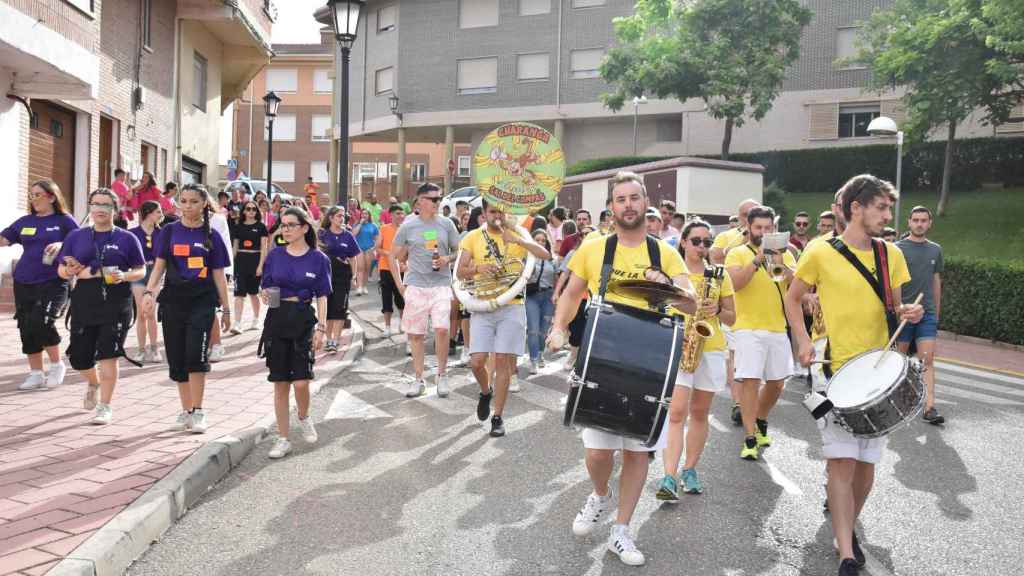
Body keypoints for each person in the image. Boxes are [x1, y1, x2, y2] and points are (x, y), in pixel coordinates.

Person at [547, 172, 695, 567]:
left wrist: (667, 283)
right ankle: (599, 494)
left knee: (636, 454)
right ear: (611, 207)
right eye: (620, 199)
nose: (628, 205)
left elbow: (691, 304)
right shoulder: (594, 248)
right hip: (603, 358)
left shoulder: (665, 252)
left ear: (645, 203)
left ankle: (621, 530)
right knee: (598, 452)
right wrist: (559, 327)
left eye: (634, 198)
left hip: (650, 362)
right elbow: (573, 292)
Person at [784, 174, 921, 576]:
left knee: (866, 467)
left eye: (887, 209)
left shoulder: (889, 255)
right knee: (841, 463)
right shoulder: (819, 250)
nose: (885, 215)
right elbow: (793, 299)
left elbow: (893, 307)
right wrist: (802, 341)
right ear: (855, 208)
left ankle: (846, 524)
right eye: (879, 207)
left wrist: (908, 313)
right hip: (833, 369)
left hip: (876, 373)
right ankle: (845, 549)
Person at [143, 184, 233, 434]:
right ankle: (186, 411)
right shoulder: (169, 232)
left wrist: (226, 309)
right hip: (173, 299)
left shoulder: (211, 235)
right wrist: (150, 292)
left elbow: (219, 276)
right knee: (178, 357)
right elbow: (159, 266)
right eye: (183, 201)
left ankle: (199, 410)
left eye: (193, 201)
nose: (187, 206)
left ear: (204, 204)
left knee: (196, 355)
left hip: (202, 300)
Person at [456, 200, 550, 436]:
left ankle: (497, 417)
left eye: (501, 211)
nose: (497, 216)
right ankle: (485, 392)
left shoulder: (517, 234)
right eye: (492, 212)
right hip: (483, 304)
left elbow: (545, 254)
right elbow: (459, 272)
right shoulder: (472, 237)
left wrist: (518, 241)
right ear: (484, 214)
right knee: (476, 361)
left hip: (512, 304)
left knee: (502, 361)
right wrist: (478, 269)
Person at [656, 219, 736, 500]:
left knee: (700, 413)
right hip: (679, 344)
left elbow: (732, 317)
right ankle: (669, 476)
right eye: (696, 241)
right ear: (684, 242)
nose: (702, 246)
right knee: (676, 412)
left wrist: (717, 310)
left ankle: (690, 469)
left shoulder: (719, 274)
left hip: (711, 345)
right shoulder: (672, 272)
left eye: (706, 242)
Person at [57, 189, 146, 424]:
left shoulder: (127, 238)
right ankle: (94, 382)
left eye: (106, 205)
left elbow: (141, 269)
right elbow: (61, 269)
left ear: (114, 210)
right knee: (79, 358)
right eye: (95, 204)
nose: (99, 209)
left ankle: (105, 406)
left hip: (116, 302)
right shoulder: (76, 236)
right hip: (84, 301)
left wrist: (123, 276)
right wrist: (70, 271)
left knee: (109, 354)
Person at [725, 205, 797, 460]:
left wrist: (780, 263)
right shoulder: (736, 253)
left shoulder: (785, 254)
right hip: (747, 327)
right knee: (751, 381)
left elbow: (792, 284)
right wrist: (757, 259)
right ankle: (749, 437)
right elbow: (735, 284)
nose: (764, 232)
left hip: (777, 326)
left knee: (777, 383)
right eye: (759, 228)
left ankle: (761, 418)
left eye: (768, 228)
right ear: (749, 228)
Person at [260, 207, 331, 459]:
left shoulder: (319, 259)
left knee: (301, 382)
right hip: (277, 319)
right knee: (280, 382)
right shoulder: (275, 255)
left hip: (303, 320)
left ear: (304, 228)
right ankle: (283, 438)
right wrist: (265, 294)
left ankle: (303, 416)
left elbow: (322, 295)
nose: (286, 229)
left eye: (291, 225)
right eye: (283, 225)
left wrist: (321, 328)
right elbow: (265, 287)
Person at [1, 180, 78, 390]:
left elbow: (80, 243)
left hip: (53, 281)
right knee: (26, 326)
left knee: (42, 320)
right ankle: (36, 373)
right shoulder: (25, 221)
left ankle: (56, 364)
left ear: (51, 197)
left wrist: (62, 244)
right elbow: (4, 239)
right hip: (24, 280)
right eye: (31, 195)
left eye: (38, 195)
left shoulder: (64, 221)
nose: (33, 199)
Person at [389, 183, 461, 397]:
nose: (438, 202)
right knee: (417, 335)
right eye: (434, 199)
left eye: (440, 198)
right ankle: (419, 379)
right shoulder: (408, 226)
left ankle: (442, 375)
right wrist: (400, 285)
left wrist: (447, 258)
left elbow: (459, 250)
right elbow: (393, 255)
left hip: (440, 284)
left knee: (441, 328)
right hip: (416, 286)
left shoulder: (447, 224)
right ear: (420, 201)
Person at [711, 198, 759, 426]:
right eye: (747, 215)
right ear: (741, 218)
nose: (751, 219)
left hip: (761, 311)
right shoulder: (726, 237)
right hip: (734, 305)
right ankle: (739, 403)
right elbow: (714, 257)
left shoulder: (766, 238)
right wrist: (739, 239)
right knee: (735, 357)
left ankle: (750, 403)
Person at [896, 206, 944, 424]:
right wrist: (896, 310)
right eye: (916, 220)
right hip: (903, 313)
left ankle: (929, 407)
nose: (919, 224)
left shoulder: (935, 250)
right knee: (899, 360)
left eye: (924, 220)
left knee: (927, 359)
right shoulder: (896, 249)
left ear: (929, 223)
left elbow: (936, 282)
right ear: (909, 222)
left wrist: (936, 313)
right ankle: (896, 402)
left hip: (927, 315)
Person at [319, 206, 361, 353]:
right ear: (330, 218)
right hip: (325, 276)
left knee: (340, 308)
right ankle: (328, 339)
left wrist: (354, 276)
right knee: (328, 308)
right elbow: (316, 254)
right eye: (338, 215)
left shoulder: (348, 235)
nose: (341, 218)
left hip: (343, 276)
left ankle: (334, 341)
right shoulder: (322, 234)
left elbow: (353, 257)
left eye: (343, 216)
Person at [128, 201, 164, 363]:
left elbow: (164, 258)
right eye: (158, 212)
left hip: (155, 273)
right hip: (138, 272)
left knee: (151, 312)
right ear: (149, 213)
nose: (161, 214)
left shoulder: (162, 233)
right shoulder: (132, 233)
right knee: (141, 313)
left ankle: (155, 349)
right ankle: (141, 349)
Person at [229, 200, 269, 334]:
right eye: (248, 209)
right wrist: (230, 265)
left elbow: (264, 247)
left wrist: (260, 266)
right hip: (240, 262)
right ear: (244, 211)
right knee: (239, 294)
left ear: (257, 211)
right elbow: (235, 246)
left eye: (254, 209)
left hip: (255, 260)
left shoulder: (261, 226)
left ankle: (256, 319)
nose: (251, 211)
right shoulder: (238, 226)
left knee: (253, 293)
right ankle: (237, 323)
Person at [524, 229, 556, 374]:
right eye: (537, 240)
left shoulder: (551, 259)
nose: (541, 242)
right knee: (533, 330)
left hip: (548, 297)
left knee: (543, 331)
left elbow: (556, 280)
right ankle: (533, 360)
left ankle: (540, 353)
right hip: (532, 297)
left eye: (543, 240)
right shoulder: (527, 257)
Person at [376, 204, 406, 337]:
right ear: (391, 215)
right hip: (385, 268)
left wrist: (403, 260)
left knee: (401, 298)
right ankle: (387, 327)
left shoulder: (405, 230)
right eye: (398, 213)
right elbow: (377, 248)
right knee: (386, 298)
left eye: (402, 213)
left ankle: (402, 323)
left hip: (401, 269)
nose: (401, 216)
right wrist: (390, 254)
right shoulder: (384, 228)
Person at [352, 211, 379, 295]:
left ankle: (364, 286)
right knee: (360, 268)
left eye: (366, 214)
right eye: (363, 214)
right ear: (360, 215)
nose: (364, 215)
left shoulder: (373, 226)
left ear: (369, 215)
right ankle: (359, 287)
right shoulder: (357, 224)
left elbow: (377, 238)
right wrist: (360, 224)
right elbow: (353, 234)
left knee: (367, 268)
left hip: (369, 249)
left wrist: (373, 248)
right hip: (359, 248)